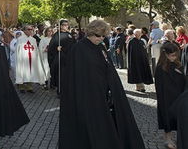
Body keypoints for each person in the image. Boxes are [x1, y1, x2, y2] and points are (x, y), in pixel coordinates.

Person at [59, 20, 145, 149]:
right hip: (87, 97)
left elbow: (107, 68)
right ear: (90, 33)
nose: (101, 38)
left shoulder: (100, 46)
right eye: (98, 35)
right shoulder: (79, 48)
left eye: (104, 36)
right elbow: (75, 76)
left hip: (103, 95)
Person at [155, 43, 186, 149]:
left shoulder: (178, 65)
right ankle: (168, 140)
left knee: (180, 118)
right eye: (172, 55)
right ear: (166, 55)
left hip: (179, 96)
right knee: (167, 118)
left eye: (176, 55)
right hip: (166, 98)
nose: (175, 57)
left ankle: (180, 138)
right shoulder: (160, 68)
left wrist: (180, 73)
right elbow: (159, 86)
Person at [15, 25, 46, 93]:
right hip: (23, 58)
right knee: (22, 71)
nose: (30, 31)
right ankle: (21, 87)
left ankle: (29, 87)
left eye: (31, 29)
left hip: (32, 58)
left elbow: (35, 49)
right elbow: (17, 50)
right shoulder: (20, 39)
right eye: (28, 29)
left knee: (31, 72)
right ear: (24, 30)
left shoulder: (33, 40)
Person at [48, 20, 74, 95]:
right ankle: (60, 91)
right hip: (61, 58)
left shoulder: (70, 35)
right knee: (60, 75)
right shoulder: (57, 35)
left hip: (69, 58)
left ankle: (68, 90)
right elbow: (51, 47)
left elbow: (74, 45)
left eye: (67, 25)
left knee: (68, 75)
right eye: (64, 25)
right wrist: (56, 49)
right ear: (61, 26)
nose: (65, 26)